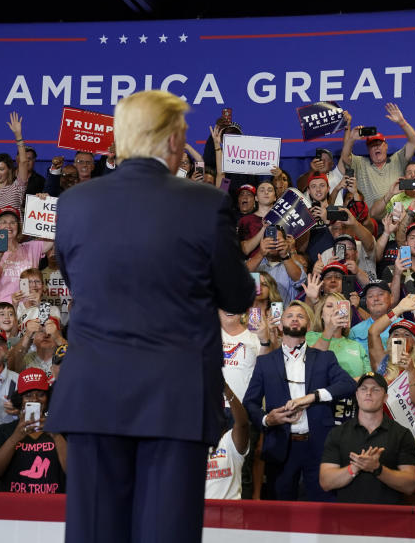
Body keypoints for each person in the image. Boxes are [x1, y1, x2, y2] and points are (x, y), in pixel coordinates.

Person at [45, 90, 255, 543]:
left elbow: (77, 281)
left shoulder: (74, 204)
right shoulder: (204, 204)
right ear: (176, 139)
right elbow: (238, 295)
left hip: (93, 397)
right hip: (174, 402)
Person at [242, 302, 356, 501]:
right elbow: (250, 403)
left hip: (319, 445)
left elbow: (348, 384)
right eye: (289, 315)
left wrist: (314, 396)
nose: (295, 318)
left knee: (323, 509)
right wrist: (268, 419)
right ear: (279, 325)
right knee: (279, 512)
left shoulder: (324, 358)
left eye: (300, 316)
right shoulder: (265, 362)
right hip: (280, 446)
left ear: (309, 326)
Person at [319, 372, 415, 504]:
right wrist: (354, 468)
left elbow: (410, 485)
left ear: (385, 397)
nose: (368, 393)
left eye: (375, 389)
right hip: (347, 520)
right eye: (363, 388)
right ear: (356, 395)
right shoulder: (337, 433)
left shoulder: (402, 434)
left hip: (389, 520)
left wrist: (377, 469)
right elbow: (326, 482)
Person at [0, 367, 67, 494]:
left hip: (53, 507)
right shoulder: (4, 430)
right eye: (28, 395)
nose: (35, 399)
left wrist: (55, 434)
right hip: (14, 508)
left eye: (41, 394)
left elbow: (74, 472)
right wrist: (16, 436)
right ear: (20, 400)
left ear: (48, 397)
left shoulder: (61, 430)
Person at [335, 105, 415, 208]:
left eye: (379, 144)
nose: (376, 147)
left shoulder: (398, 159)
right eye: (372, 145)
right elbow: (345, 156)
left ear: (386, 147)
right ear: (368, 150)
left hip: (397, 218)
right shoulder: (360, 163)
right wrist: (352, 138)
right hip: (370, 221)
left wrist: (401, 122)